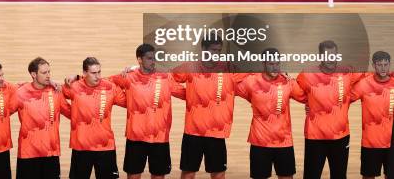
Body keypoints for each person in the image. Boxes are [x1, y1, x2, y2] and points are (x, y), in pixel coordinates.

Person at [109, 44, 185, 179]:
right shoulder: (128, 77)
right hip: (136, 137)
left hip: (159, 138)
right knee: (133, 175)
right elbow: (105, 83)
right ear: (139, 60)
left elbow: (186, 94)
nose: (153, 61)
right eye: (149, 58)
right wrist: (78, 78)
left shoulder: (165, 77)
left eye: (154, 58)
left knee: (158, 176)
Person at [296, 41, 364, 179]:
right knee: (311, 175)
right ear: (320, 56)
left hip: (341, 137)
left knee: (339, 176)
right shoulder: (307, 74)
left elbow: (370, 77)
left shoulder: (347, 72)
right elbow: (293, 89)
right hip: (315, 137)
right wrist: (309, 101)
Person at [235, 48, 306, 179]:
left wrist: (294, 80)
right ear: (263, 64)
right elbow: (230, 85)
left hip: (284, 142)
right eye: (271, 64)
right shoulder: (251, 82)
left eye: (277, 64)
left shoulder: (287, 82)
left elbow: (307, 97)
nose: (275, 67)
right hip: (259, 142)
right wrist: (248, 72)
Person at [172, 39, 238, 179]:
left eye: (219, 50)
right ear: (203, 48)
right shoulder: (190, 66)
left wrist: (281, 74)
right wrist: (188, 95)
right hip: (193, 132)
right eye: (213, 50)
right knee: (188, 173)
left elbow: (254, 76)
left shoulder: (228, 68)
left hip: (217, 132)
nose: (216, 53)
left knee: (219, 174)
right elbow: (166, 78)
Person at [63, 57, 126, 179]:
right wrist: (73, 114)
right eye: (93, 73)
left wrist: (134, 71)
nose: (97, 76)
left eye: (99, 72)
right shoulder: (73, 87)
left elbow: (131, 101)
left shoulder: (110, 87)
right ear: (85, 73)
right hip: (81, 146)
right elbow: (55, 93)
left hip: (105, 146)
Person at [15, 57, 70, 179]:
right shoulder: (20, 93)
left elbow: (73, 114)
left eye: (49, 72)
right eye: (44, 73)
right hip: (28, 153)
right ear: (33, 74)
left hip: (51, 152)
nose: (48, 75)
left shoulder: (56, 92)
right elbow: (1, 113)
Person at [350, 51, 394, 179]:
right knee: (368, 176)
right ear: (373, 65)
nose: (383, 68)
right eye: (379, 65)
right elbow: (344, 100)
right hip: (371, 141)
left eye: (386, 64)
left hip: (391, 141)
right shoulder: (364, 84)